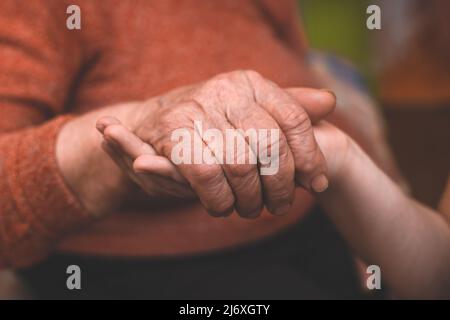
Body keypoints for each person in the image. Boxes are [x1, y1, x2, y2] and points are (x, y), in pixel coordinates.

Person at [0, 0, 399, 298]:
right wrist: (134, 130)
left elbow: (300, 77)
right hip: (145, 266)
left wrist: (377, 184)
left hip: (304, 227)